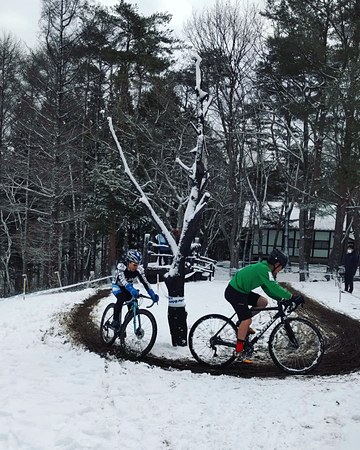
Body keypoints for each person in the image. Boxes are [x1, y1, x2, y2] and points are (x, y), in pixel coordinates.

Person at [224, 248, 302, 361]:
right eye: (281, 268)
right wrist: (291, 296)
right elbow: (273, 286)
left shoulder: (266, 270)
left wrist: (281, 298)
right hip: (234, 292)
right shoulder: (263, 269)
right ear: (277, 264)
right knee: (247, 320)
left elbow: (268, 289)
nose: (281, 270)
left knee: (263, 302)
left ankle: (242, 323)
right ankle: (239, 351)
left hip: (242, 291)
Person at [111, 249, 159, 330]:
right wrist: (131, 289)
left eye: (137, 265)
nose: (135, 267)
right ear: (129, 262)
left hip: (128, 287)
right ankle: (115, 320)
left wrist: (152, 294)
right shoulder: (121, 267)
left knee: (132, 304)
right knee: (121, 298)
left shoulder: (138, 270)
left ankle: (123, 327)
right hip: (117, 286)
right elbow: (123, 281)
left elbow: (145, 282)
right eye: (134, 264)